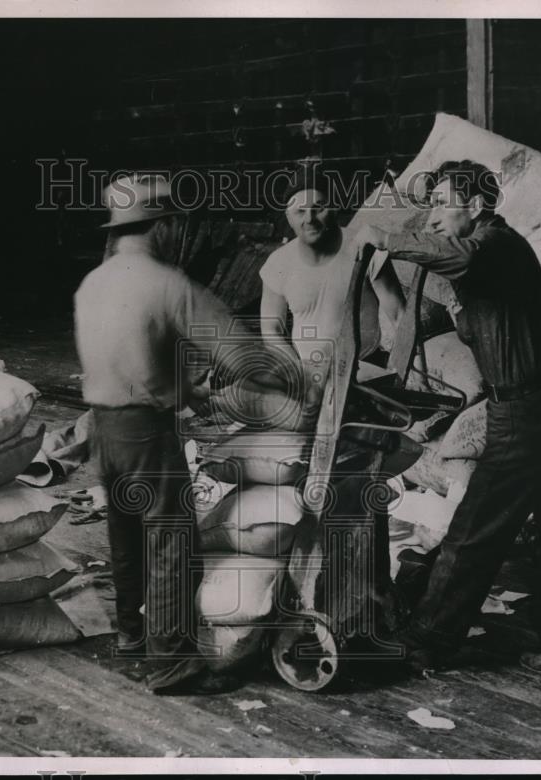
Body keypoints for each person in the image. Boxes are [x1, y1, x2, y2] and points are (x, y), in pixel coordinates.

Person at [354, 159, 541, 685]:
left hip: (530, 412)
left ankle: (426, 644)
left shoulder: (495, 245)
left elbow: (455, 255)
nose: (435, 216)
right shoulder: (484, 259)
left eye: (444, 203)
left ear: (478, 206)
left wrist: (383, 234)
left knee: (473, 533)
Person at [73, 174, 259, 695]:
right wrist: (294, 379)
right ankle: (174, 662)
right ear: (166, 226)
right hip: (147, 435)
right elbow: (241, 355)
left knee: (126, 536)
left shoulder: (94, 283)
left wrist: (184, 388)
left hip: (104, 428)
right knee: (172, 541)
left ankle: (132, 635)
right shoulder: (167, 283)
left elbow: (126, 357)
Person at [259, 172, 407, 394]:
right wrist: (297, 373)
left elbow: (399, 317)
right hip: (305, 370)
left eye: (319, 208)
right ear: (288, 217)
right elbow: (271, 330)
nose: (309, 219)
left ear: (335, 209)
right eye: (299, 211)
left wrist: (404, 372)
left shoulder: (364, 249)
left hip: (363, 368)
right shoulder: (278, 263)